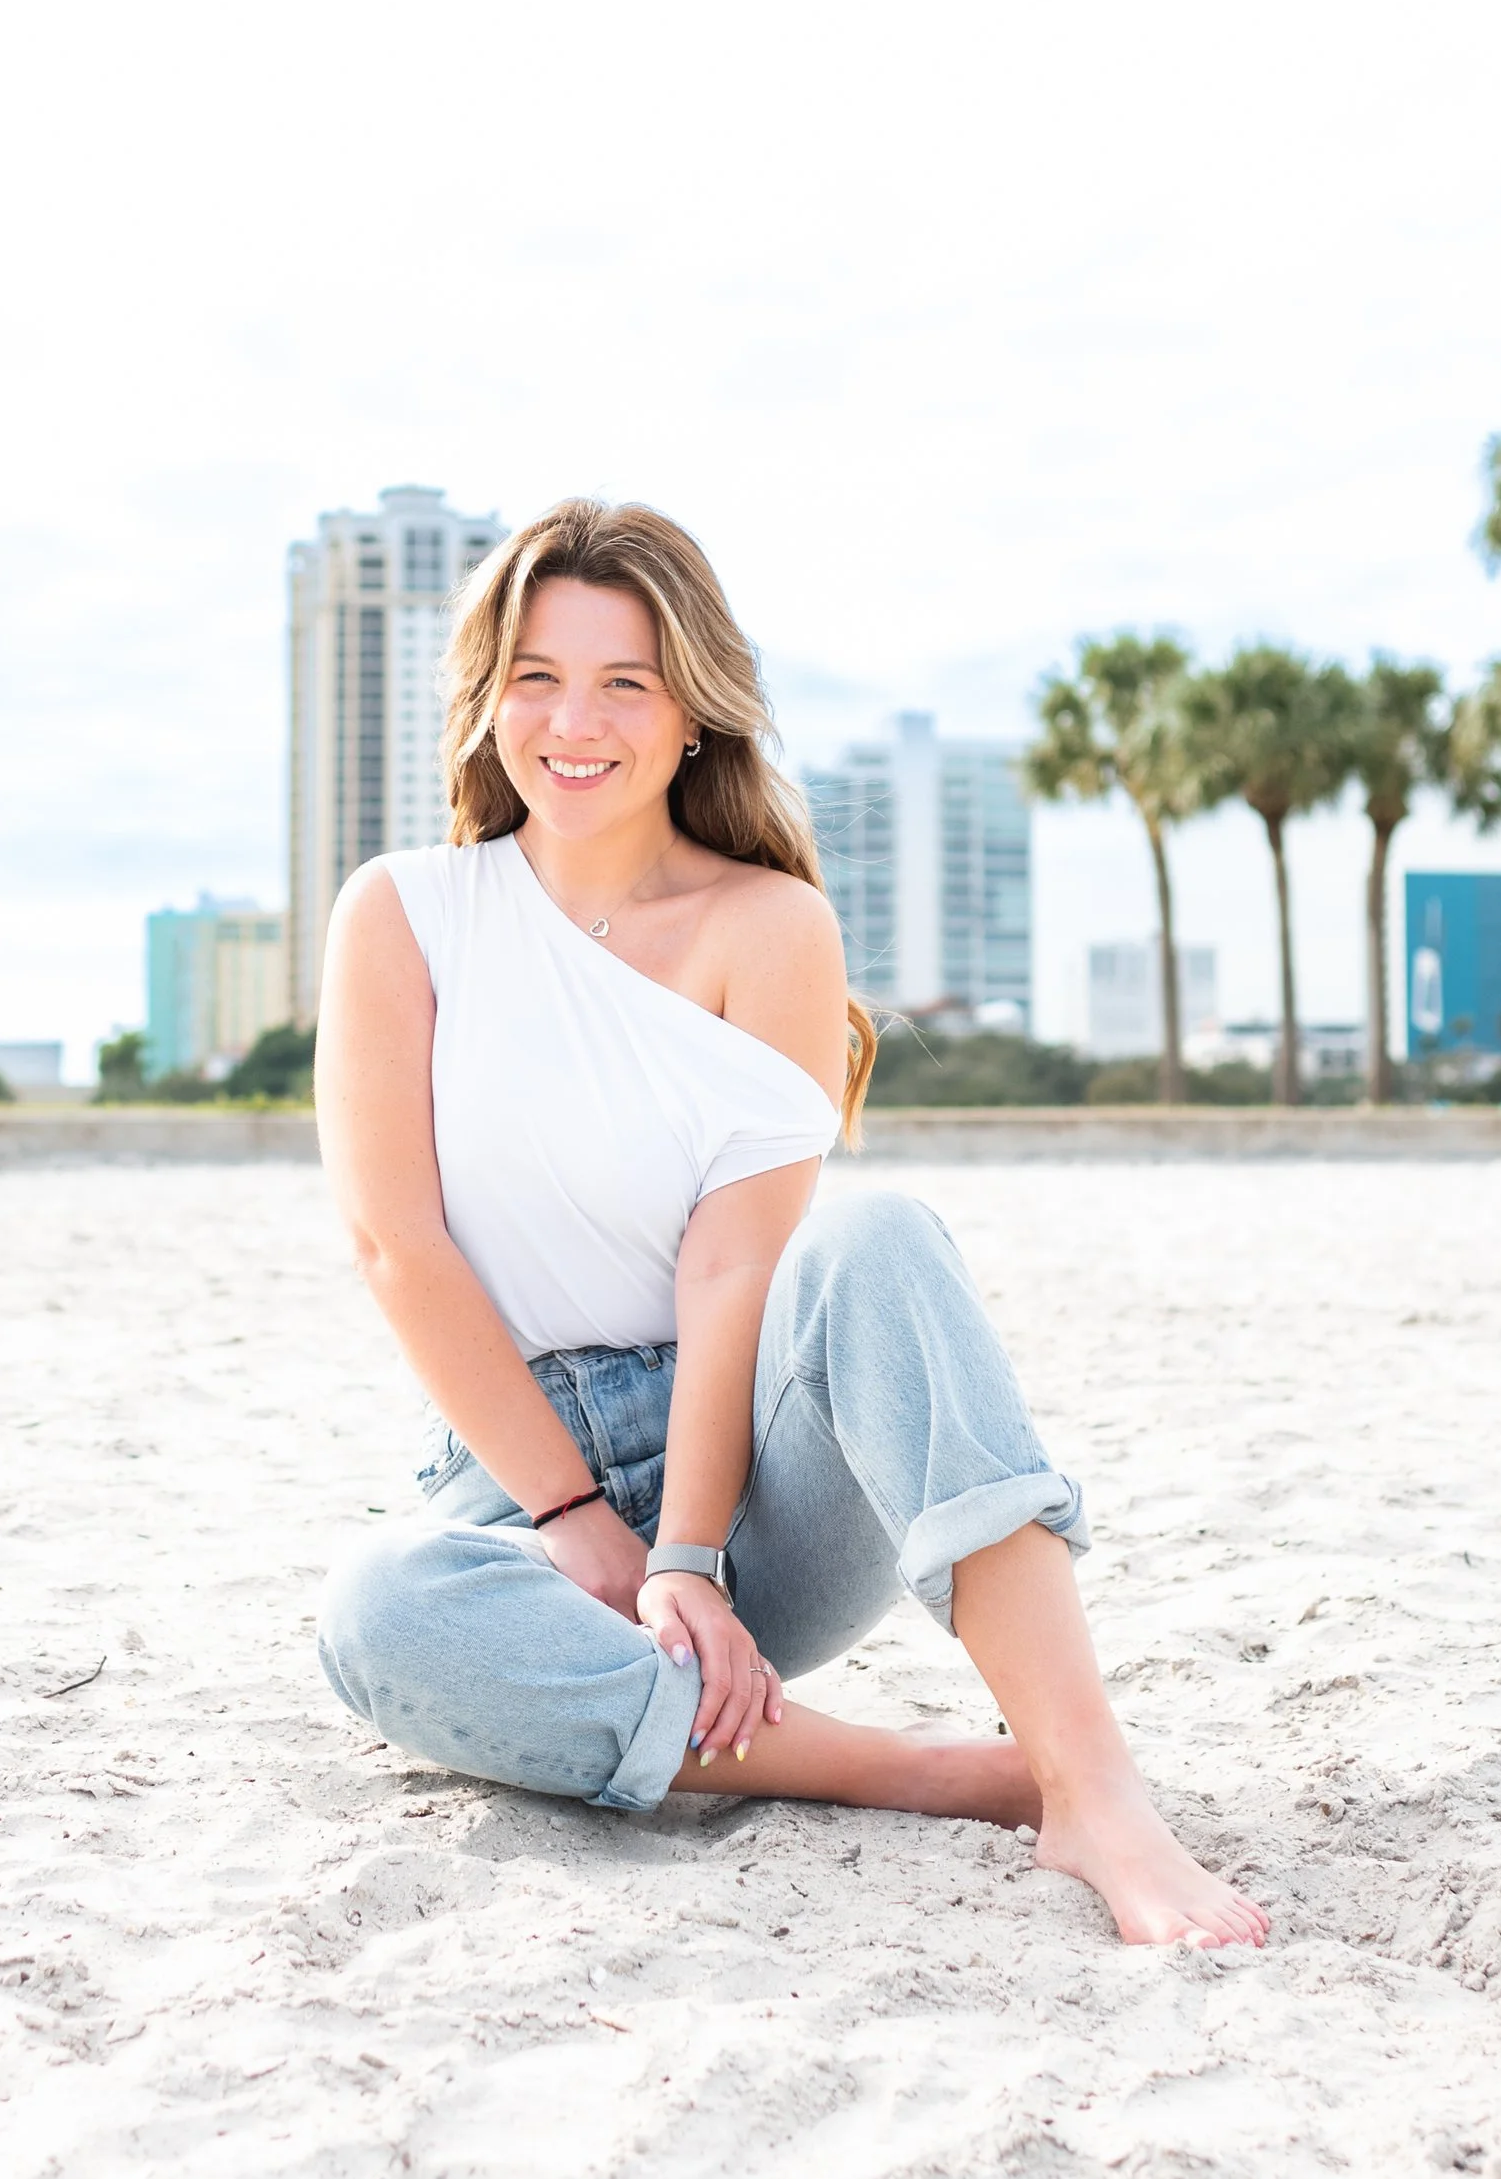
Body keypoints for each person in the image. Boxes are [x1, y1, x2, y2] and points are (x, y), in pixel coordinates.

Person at [314, 499, 1265, 1950]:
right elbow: (398, 1244)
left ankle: (1095, 1790)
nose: (576, 721)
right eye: (536, 676)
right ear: (485, 698)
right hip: (512, 1483)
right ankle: (939, 1774)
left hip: (755, 1473)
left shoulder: (771, 927)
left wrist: (687, 1553)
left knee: (875, 1239)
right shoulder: (402, 913)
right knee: (381, 1611)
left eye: (624, 681)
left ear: (693, 710)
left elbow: (738, 1261)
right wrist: (579, 1526)